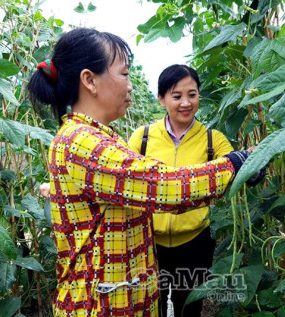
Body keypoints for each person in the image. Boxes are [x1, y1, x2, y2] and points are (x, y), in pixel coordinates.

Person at [27, 28, 254, 316]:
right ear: (89, 80)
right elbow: (163, 186)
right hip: (101, 306)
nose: (130, 85)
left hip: (124, 293)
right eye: (124, 74)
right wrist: (234, 165)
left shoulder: (100, 138)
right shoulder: (83, 142)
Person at [128, 65, 233, 317]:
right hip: (150, 244)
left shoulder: (212, 139)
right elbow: (122, 176)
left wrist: (251, 167)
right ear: (162, 99)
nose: (186, 103)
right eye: (176, 96)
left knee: (190, 308)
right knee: (153, 307)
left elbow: (234, 163)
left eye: (192, 94)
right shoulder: (141, 138)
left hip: (195, 243)